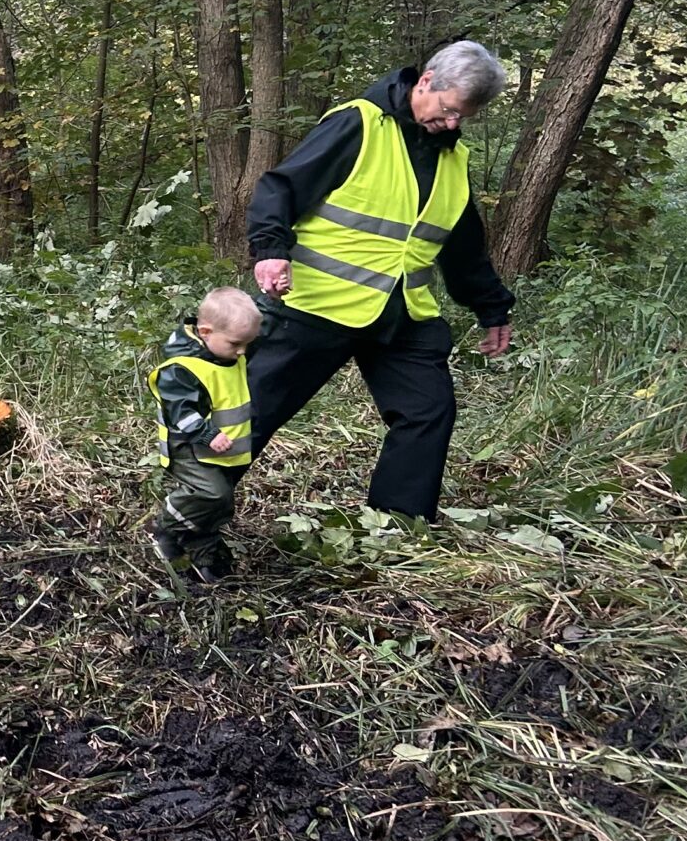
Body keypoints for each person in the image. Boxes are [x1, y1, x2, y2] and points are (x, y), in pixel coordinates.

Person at [245, 39, 516, 518]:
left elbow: (462, 244)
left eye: (463, 117)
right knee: (251, 413)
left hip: (402, 316)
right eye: (450, 110)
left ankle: (397, 530)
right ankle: (187, 517)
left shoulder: (453, 159)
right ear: (427, 81)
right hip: (316, 305)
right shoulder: (358, 123)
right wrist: (269, 249)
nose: (453, 123)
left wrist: (491, 307)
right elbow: (281, 186)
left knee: (427, 412)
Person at [148, 287, 264, 580]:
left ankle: (203, 551)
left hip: (223, 449)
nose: (242, 352)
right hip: (189, 447)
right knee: (211, 494)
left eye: (247, 344)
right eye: (236, 344)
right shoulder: (181, 369)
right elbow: (180, 410)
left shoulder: (223, 353)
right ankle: (166, 527)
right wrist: (206, 433)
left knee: (222, 504)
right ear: (206, 331)